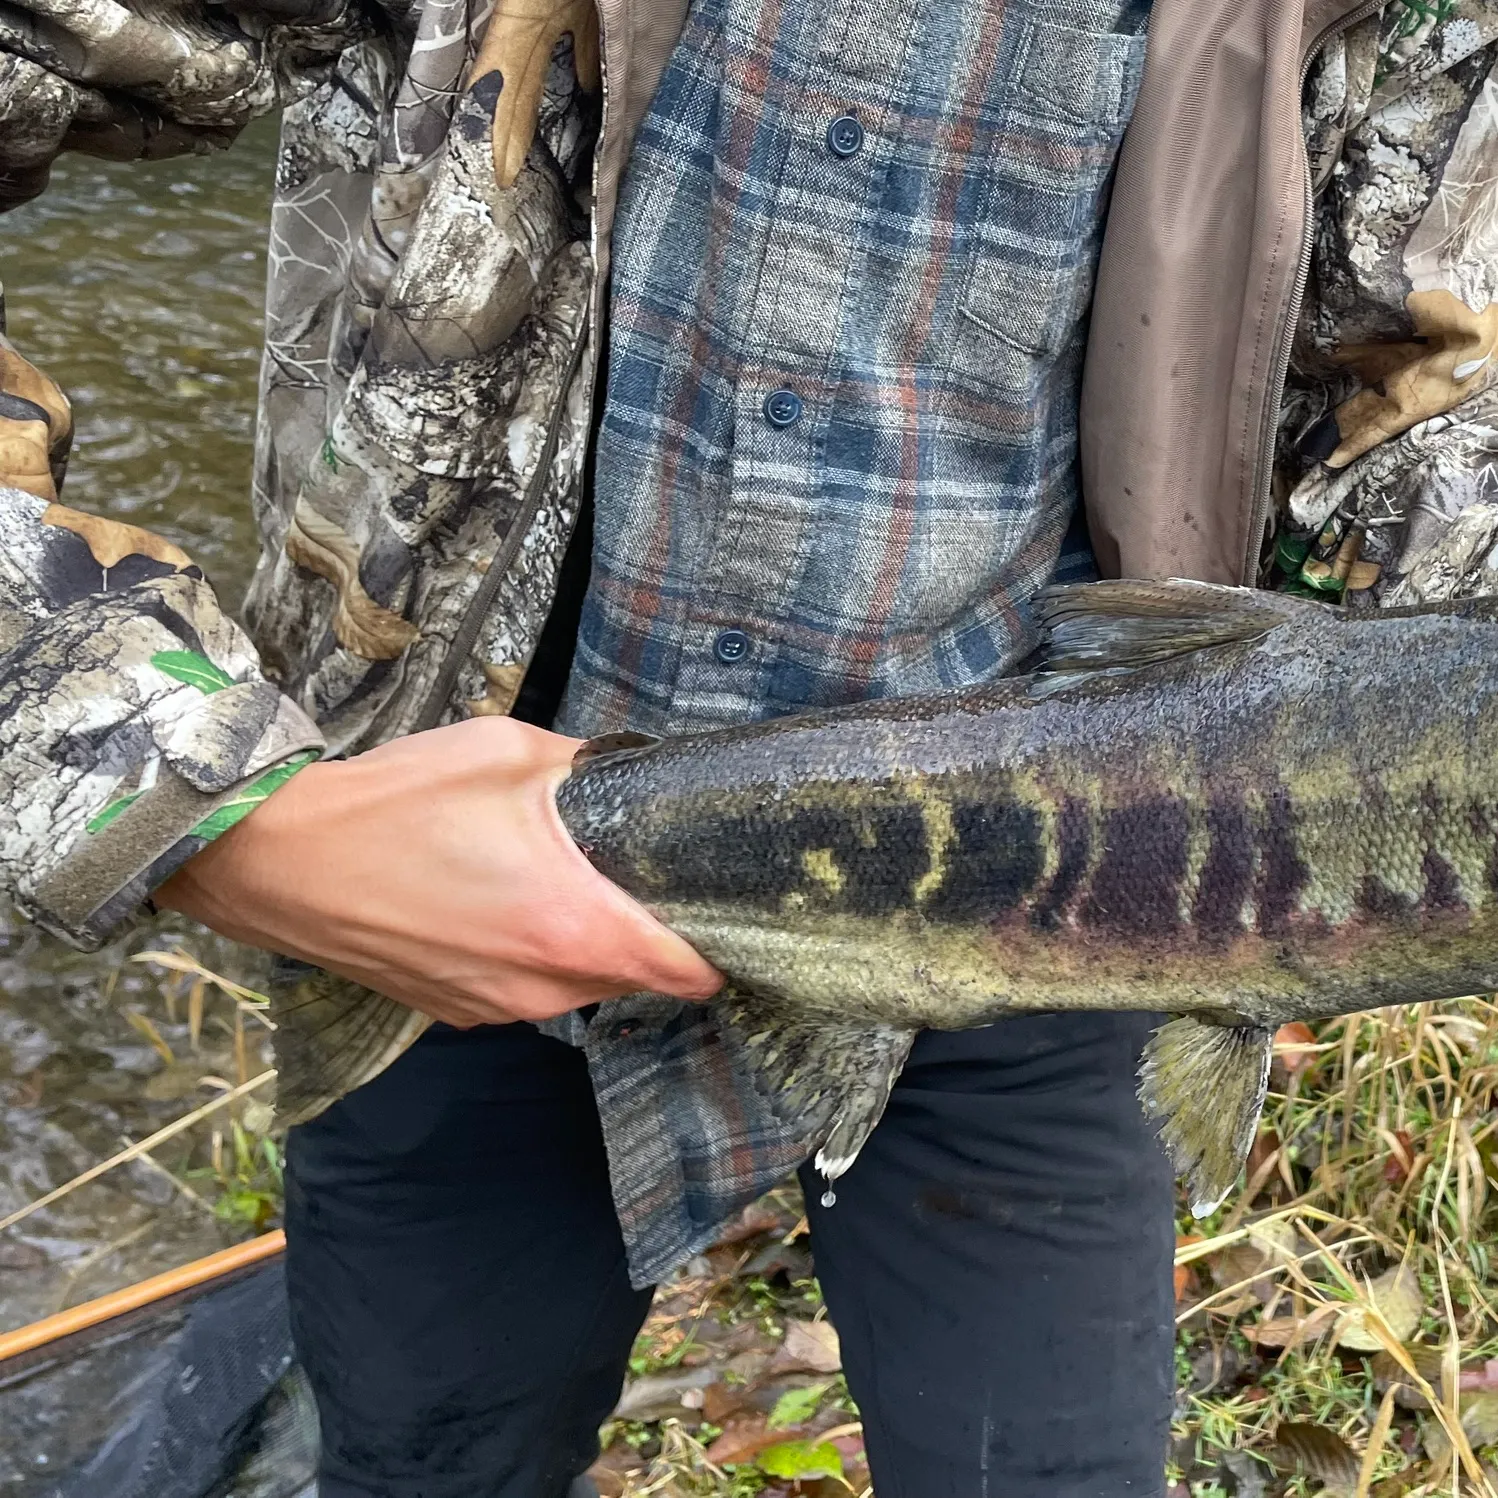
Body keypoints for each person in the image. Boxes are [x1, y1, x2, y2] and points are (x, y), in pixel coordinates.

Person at [3, 0, 1497, 1492]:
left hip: (1068, 934)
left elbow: (1414, 418)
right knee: (429, 1458)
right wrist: (195, 792)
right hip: (441, 895)